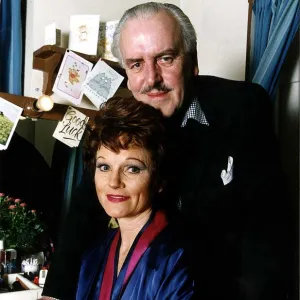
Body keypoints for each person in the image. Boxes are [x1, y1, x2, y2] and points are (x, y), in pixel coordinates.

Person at [42, 2, 291, 300]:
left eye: (165, 59)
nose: (151, 79)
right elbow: (83, 214)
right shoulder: (123, 122)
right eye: (136, 64)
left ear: (192, 62)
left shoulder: (242, 108)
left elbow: (266, 232)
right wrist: (53, 293)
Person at [75, 96, 194, 299]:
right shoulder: (94, 253)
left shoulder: (179, 257)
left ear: (158, 180)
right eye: (104, 167)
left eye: (132, 169)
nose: (114, 182)